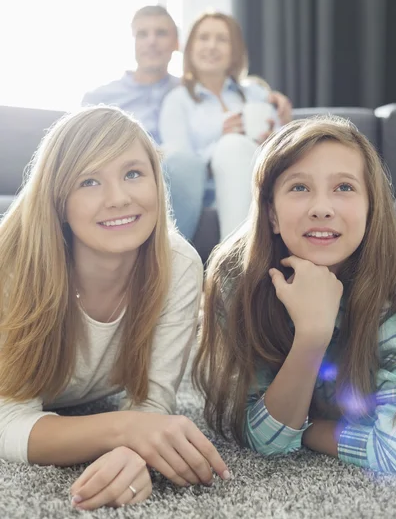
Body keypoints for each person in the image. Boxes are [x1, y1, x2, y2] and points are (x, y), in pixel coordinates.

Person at [0, 106, 230, 511]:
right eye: (89, 180)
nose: (119, 198)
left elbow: (152, 403)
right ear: (59, 198)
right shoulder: (14, 264)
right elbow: (7, 422)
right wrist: (125, 429)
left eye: (133, 174)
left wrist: (133, 451)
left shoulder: (179, 265)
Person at [193, 116, 396, 474]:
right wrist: (312, 336)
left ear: (371, 208)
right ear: (271, 215)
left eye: (344, 188)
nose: (322, 208)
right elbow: (257, 436)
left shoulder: (392, 289)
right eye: (299, 188)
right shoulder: (236, 280)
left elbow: (393, 452)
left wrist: (305, 430)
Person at [159, 10, 293, 240]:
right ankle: (235, 263)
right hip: (209, 191)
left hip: (262, 176)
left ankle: (232, 263)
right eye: (203, 38)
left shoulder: (257, 94)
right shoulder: (178, 100)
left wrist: (273, 139)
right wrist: (220, 142)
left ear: (235, 50)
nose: (212, 46)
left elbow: (288, 148)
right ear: (190, 48)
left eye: (222, 39)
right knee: (231, 145)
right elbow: (180, 166)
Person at [82, 5, 206, 241]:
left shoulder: (193, 93)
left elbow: (234, 95)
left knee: (185, 162)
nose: (151, 41)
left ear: (176, 43)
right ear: (133, 42)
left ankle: (172, 257)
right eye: (143, 34)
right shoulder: (99, 98)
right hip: (118, 170)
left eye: (160, 33)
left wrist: (268, 95)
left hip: (177, 174)